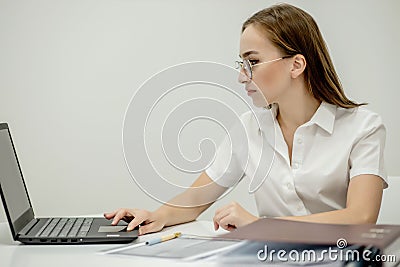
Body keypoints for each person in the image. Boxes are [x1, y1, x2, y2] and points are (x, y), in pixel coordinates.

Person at [105, 3, 387, 235]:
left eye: (252, 62)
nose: (242, 76)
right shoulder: (248, 128)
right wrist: (154, 216)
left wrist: (261, 226)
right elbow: (195, 201)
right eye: (241, 63)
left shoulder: (362, 127)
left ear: (296, 65)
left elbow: (361, 218)